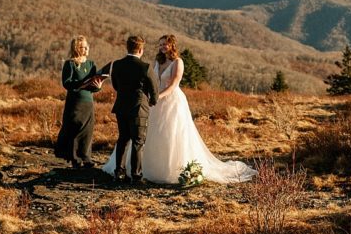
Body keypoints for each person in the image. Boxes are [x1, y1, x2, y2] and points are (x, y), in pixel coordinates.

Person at [103, 34, 255, 185]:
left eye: (165, 44)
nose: (162, 47)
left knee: (170, 134)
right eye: (160, 44)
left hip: (171, 101)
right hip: (153, 102)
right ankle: (141, 169)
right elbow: (151, 81)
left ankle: (168, 168)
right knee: (146, 136)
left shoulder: (178, 62)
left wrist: (156, 98)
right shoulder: (157, 61)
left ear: (172, 45)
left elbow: (173, 85)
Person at [104, 35, 157, 183]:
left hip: (121, 107)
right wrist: (152, 101)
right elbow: (154, 90)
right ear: (141, 49)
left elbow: (115, 86)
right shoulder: (145, 67)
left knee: (123, 140)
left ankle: (119, 173)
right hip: (139, 108)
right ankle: (136, 175)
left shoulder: (117, 65)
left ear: (127, 47)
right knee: (138, 142)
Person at [54, 35, 104, 168]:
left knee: (87, 130)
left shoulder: (91, 64)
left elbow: (93, 87)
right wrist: (81, 83)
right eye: (82, 47)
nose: (86, 48)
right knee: (75, 129)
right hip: (75, 102)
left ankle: (86, 157)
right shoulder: (70, 64)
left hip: (88, 102)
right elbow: (66, 83)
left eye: (86, 46)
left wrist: (98, 87)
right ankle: (75, 158)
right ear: (76, 48)